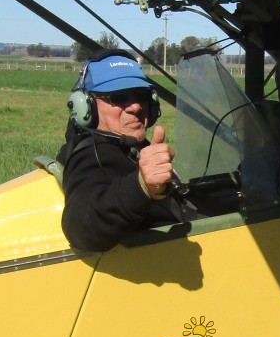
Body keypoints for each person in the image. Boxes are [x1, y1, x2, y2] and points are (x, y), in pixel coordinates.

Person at [57, 50, 195, 252]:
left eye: (141, 95)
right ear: (86, 106)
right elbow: (81, 228)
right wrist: (141, 186)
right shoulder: (93, 156)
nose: (136, 107)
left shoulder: (126, 147)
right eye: (119, 97)